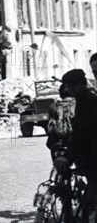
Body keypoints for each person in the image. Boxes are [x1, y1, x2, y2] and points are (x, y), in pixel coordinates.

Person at [61, 69, 97, 222]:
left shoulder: (90, 101)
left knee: (91, 196)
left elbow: (84, 132)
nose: (70, 89)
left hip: (93, 156)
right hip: (89, 157)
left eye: (73, 86)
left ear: (82, 84)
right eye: (68, 86)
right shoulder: (83, 100)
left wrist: (69, 156)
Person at [45, 84, 75, 161]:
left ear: (60, 94)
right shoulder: (79, 105)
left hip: (57, 143)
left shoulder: (53, 107)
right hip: (76, 141)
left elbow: (49, 125)